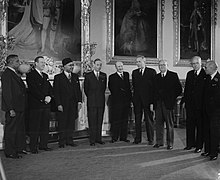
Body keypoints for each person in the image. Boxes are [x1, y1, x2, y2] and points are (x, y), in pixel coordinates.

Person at [1, 54, 28, 158]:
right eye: (17, 61)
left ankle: (19, 148)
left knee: (19, 129)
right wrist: (10, 108)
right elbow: (7, 93)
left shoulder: (15, 73)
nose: (19, 63)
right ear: (10, 62)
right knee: (11, 130)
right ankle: (10, 151)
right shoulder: (7, 74)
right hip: (13, 107)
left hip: (19, 106)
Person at [26, 56, 53, 153]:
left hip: (46, 105)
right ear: (36, 63)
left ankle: (43, 145)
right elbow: (33, 90)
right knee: (35, 127)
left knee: (45, 126)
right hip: (36, 105)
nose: (43, 64)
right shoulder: (30, 75)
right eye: (41, 62)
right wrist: (43, 98)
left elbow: (49, 88)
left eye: (44, 63)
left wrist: (50, 96)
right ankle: (33, 147)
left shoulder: (45, 76)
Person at [153, 60, 182, 150]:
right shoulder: (156, 77)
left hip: (168, 104)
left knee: (169, 124)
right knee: (158, 124)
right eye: (160, 65)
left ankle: (170, 143)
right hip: (158, 104)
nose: (161, 66)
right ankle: (159, 142)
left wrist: (171, 98)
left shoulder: (173, 75)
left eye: (163, 65)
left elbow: (179, 89)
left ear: (167, 65)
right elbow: (153, 91)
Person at [53, 58, 82, 148]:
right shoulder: (58, 78)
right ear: (64, 66)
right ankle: (62, 141)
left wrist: (79, 101)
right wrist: (58, 104)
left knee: (71, 122)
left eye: (72, 65)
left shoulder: (75, 77)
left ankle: (70, 140)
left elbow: (78, 91)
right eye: (70, 65)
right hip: (63, 104)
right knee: (62, 123)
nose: (72, 67)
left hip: (73, 104)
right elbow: (56, 92)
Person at [182, 56, 206, 153]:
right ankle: (189, 144)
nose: (194, 65)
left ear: (201, 63)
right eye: (193, 64)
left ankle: (199, 146)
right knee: (190, 125)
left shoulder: (205, 74)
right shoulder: (190, 74)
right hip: (190, 105)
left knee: (200, 126)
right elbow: (187, 90)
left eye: (196, 63)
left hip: (201, 106)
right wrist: (184, 101)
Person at [132, 55, 156, 145]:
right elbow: (134, 87)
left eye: (139, 61)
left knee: (149, 120)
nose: (137, 63)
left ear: (144, 62)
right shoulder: (134, 73)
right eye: (136, 62)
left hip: (148, 101)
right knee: (137, 120)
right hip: (137, 101)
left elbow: (154, 89)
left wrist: (152, 102)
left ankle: (151, 139)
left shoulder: (151, 72)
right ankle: (137, 139)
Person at [84, 58, 107, 146]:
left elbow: (103, 88)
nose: (99, 66)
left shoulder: (104, 75)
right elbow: (86, 90)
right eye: (97, 64)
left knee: (99, 120)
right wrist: (91, 97)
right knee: (92, 121)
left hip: (101, 101)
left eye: (100, 65)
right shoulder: (88, 75)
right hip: (92, 102)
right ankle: (92, 140)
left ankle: (99, 138)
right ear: (93, 65)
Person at [108, 61, 132, 143]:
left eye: (121, 66)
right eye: (119, 66)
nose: (120, 68)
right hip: (117, 103)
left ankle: (123, 137)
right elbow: (112, 89)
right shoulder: (112, 77)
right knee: (116, 120)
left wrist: (130, 100)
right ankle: (115, 137)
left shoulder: (126, 74)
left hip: (126, 102)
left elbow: (128, 88)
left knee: (125, 120)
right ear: (116, 67)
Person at [203, 60, 220, 161]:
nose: (205, 69)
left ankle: (214, 153)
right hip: (207, 111)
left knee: (214, 132)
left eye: (206, 67)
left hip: (216, 112)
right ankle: (208, 150)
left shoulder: (218, 79)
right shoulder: (208, 79)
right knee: (207, 131)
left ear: (212, 68)